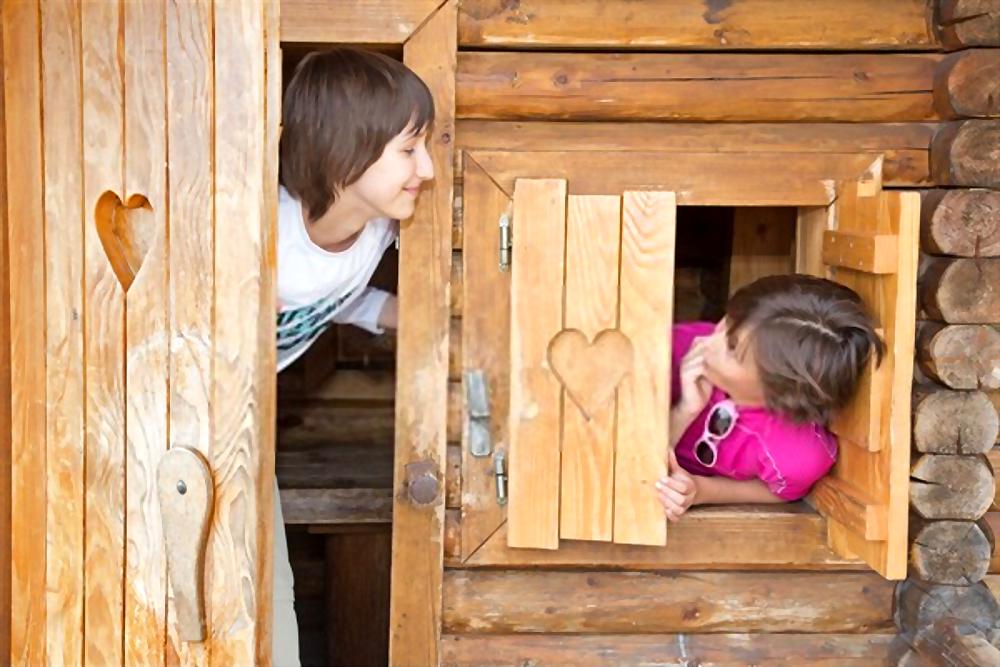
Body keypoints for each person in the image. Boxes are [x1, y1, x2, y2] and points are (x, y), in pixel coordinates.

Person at [273, 47, 435, 666]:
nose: (426, 166)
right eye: (408, 148)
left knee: (271, 597)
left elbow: (333, 296)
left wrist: (400, 315)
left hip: (244, 429)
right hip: (178, 419)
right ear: (346, 152)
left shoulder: (378, 228)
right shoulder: (266, 229)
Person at [656, 274, 884, 520]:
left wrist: (700, 490)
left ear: (779, 393)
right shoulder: (676, 349)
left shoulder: (796, 454)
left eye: (731, 347)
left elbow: (777, 491)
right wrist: (683, 411)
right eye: (727, 322)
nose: (707, 341)